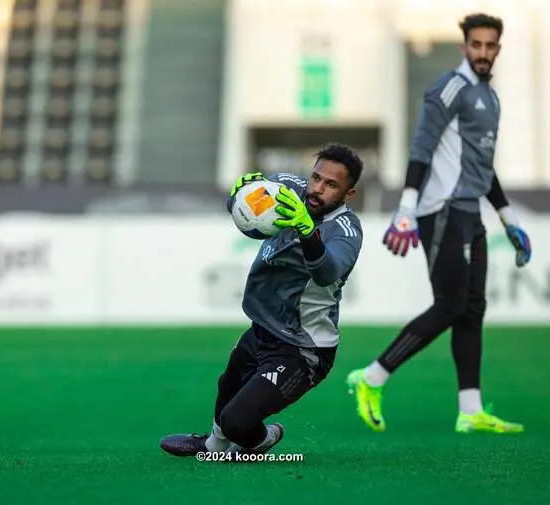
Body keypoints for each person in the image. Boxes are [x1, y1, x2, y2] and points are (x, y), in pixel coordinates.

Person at [346, 13, 532, 434]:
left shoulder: (491, 98)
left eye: (491, 46)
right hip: (442, 210)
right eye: (476, 45)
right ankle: (371, 377)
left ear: (498, 49)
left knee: (472, 311)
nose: (483, 52)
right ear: (464, 46)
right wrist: (407, 209)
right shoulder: (450, 89)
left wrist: (509, 218)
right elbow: (422, 149)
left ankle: (470, 410)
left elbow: (483, 169)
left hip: (471, 212)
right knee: (451, 305)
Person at [160, 143, 364, 457]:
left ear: (348, 194)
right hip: (262, 329)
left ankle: (265, 438)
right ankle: (213, 446)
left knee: (237, 423)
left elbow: (327, 273)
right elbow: (247, 211)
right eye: (316, 178)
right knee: (227, 384)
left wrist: (307, 230)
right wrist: (236, 196)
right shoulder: (288, 188)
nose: (318, 188)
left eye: (331, 185)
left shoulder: (346, 230)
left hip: (303, 349)